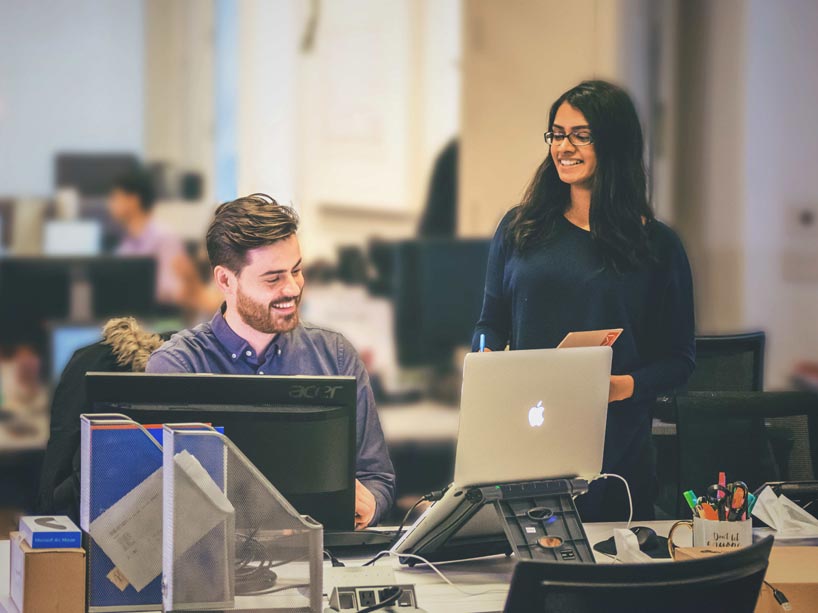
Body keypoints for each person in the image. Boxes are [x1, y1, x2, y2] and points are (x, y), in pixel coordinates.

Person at [472, 80, 695, 521]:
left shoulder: (658, 246)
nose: (563, 146)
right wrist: (485, 360)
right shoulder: (520, 230)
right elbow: (490, 322)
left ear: (613, 143)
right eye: (556, 133)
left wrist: (620, 388)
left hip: (616, 453)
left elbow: (679, 359)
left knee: (611, 575)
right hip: (528, 434)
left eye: (581, 135)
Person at [146, 194, 396, 528]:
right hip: (216, 565)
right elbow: (162, 504)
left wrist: (372, 504)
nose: (293, 288)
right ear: (226, 281)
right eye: (273, 278)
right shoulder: (177, 368)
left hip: (324, 557)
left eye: (297, 271)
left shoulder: (335, 356)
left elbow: (377, 476)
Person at [107, 169, 187, 305]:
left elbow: (173, 290)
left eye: (116, 198)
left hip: (161, 317)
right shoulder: (125, 246)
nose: (110, 204)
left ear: (133, 200)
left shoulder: (164, 237)